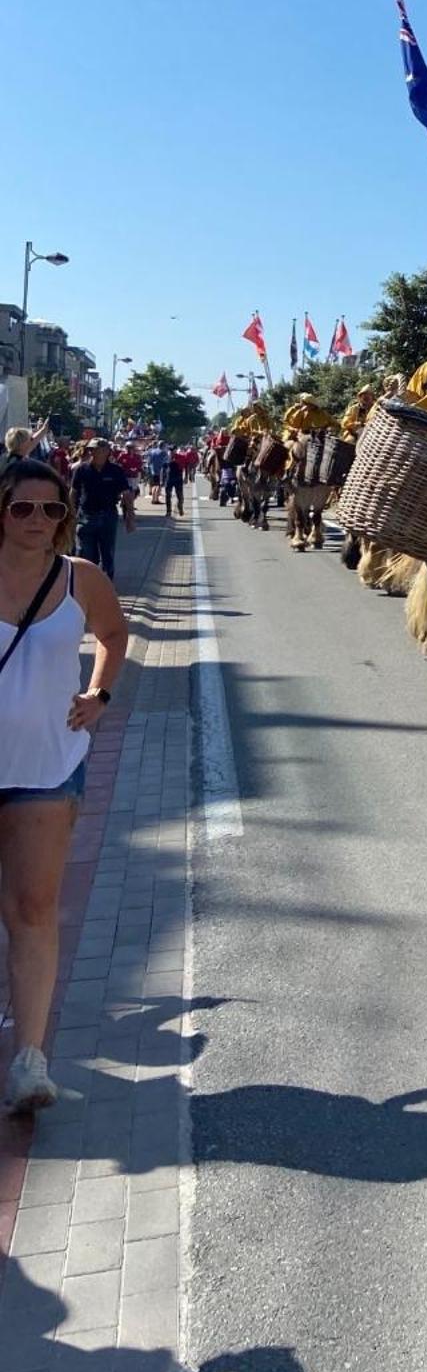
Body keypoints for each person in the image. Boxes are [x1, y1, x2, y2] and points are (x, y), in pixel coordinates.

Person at [0, 459, 129, 1112]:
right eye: (23, 508)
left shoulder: (81, 579)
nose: (37, 522)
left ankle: (30, 1061)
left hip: (47, 767)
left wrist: (99, 692)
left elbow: (112, 633)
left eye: (51, 510)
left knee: (31, 910)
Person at [70, 440, 136, 579]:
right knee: (85, 554)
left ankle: (106, 585)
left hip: (108, 517)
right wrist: (70, 514)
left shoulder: (115, 471)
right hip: (86, 517)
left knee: (108, 554)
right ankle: (88, 586)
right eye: (93, 450)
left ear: (107, 452)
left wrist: (130, 517)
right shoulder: (82, 469)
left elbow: (126, 494)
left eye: (100, 450)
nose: (95, 453)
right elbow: (74, 492)